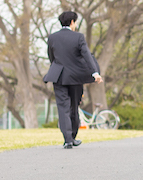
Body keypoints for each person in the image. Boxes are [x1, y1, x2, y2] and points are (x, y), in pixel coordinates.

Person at [44, 11, 103, 149]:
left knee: (63, 108)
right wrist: (95, 73)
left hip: (58, 76)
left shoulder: (52, 37)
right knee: (73, 107)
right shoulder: (78, 37)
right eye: (75, 22)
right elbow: (87, 55)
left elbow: (51, 57)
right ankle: (73, 137)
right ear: (72, 22)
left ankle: (68, 140)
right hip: (76, 78)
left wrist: (58, 68)